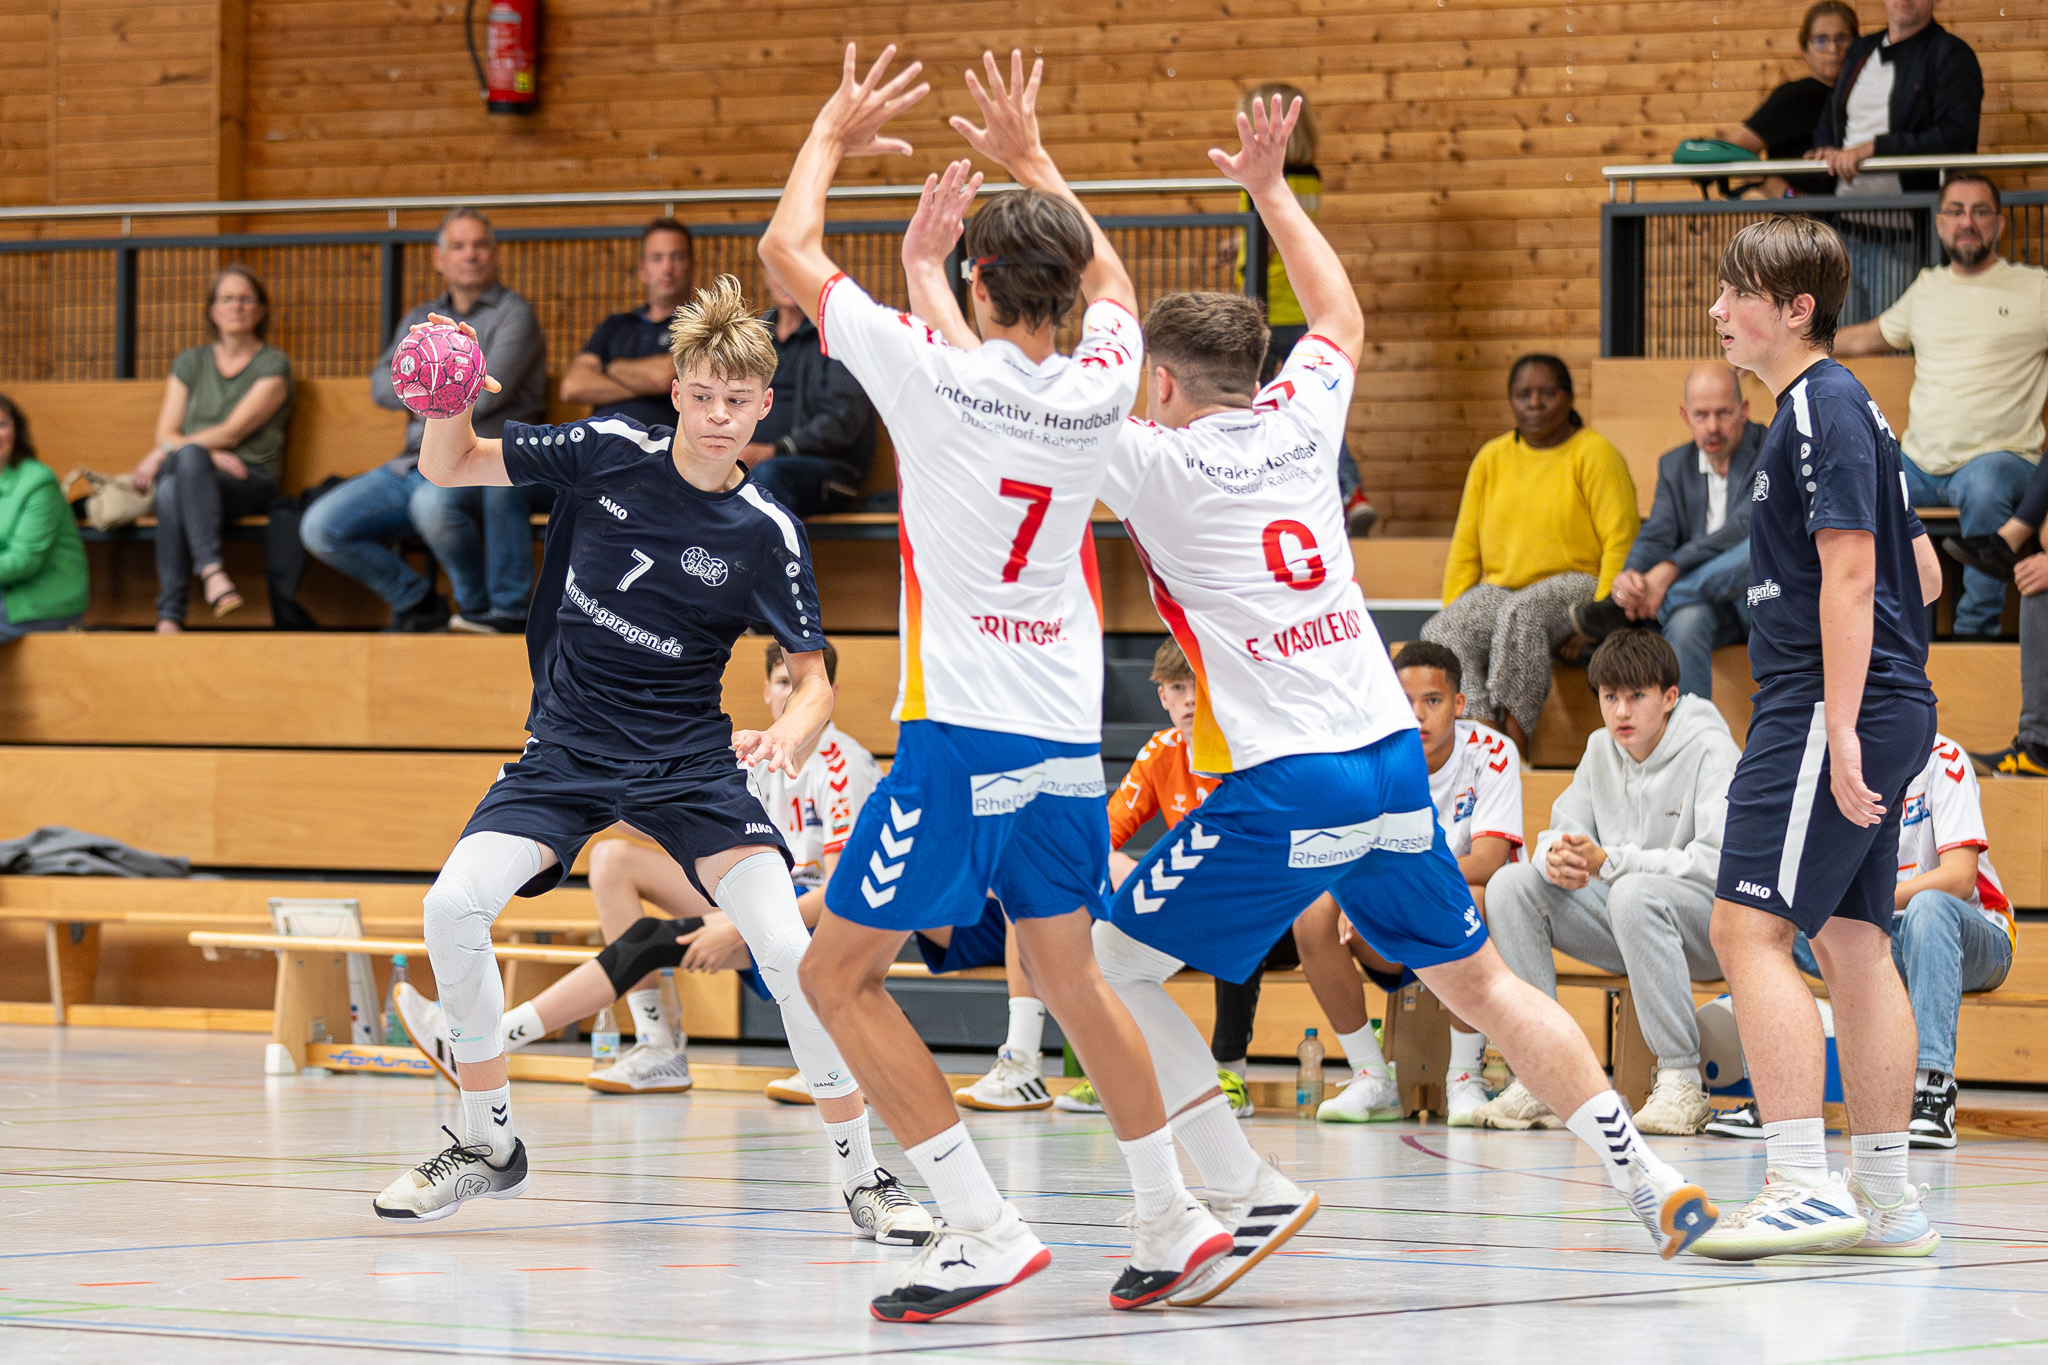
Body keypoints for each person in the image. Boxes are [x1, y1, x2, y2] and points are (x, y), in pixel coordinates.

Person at [1091, 93, 1720, 1308]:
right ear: (1254, 372)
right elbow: (1336, 311)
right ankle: (1649, 1185)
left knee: (1104, 970)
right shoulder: (1298, 414)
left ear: (1161, 382)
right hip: (1387, 757)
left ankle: (1239, 1190)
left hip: (1284, 778)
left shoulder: (1150, 459)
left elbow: (1080, 377)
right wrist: (1273, 190)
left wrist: (1029, 192)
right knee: (1479, 983)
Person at [764, 47, 1234, 1321]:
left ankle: (977, 1223)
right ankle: (1172, 1214)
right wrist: (1032, 161)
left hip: (959, 740)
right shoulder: (1098, 386)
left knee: (833, 980)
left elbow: (784, 250)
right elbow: (1116, 278)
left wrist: (829, 127)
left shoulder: (931, 374)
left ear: (973, 281)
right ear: (1070, 304)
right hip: (1062, 741)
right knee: (1070, 974)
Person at [368, 274, 930, 1253]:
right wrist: (444, 400)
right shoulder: (604, 449)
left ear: (764, 406)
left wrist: (786, 739)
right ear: (676, 390)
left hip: (687, 766)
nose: (718, 417)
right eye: (702, 395)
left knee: (788, 947)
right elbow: (453, 466)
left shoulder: (767, 533)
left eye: (738, 401)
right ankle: (483, 1139)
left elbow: (815, 680)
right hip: (566, 753)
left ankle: (863, 1176)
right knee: (449, 906)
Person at [1691, 215, 1947, 1261]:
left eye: (1734, 292)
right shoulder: (1855, 413)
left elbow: (1853, 575)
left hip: (1818, 708)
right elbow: (1922, 574)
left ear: (1793, 311)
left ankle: (1797, 1181)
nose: (1715, 310)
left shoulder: (1814, 406)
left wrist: (1838, 724)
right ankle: (1885, 1201)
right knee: (1850, 939)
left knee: (1742, 931)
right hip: (1877, 700)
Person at [1476, 630, 1738, 1137]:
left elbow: (1715, 864)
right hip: (1628, 921)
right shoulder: (1600, 748)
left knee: (1632, 890)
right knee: (1511, 886)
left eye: (1636, 696)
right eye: (1609, 696)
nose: (1621, 711)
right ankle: (1543, 1075)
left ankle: (1682, 1081)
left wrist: (1610, 861)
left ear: (1668, 698)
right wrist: (1558, 857)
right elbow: (1561, 827)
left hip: (1707, 930)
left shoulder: (1710, 748)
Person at [1741, 733, 2010, 1152]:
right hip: (1887, 937)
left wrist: (1867, 905)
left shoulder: (1944, 757)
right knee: (1763, 923)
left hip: (1974, 936)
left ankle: (1932, 1091)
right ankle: (1777, 1097)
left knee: (1929, 909)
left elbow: (1959, 879)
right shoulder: (1838, 767)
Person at [1292, 640, 1522, 1126]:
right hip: (1387, 931)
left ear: (1459, 706)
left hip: (1457, 919)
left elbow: (1487, 860)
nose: (1417, 716)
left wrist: (1387, 888)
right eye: (1404, 703)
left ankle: (1466, 1078)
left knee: (1480, 896)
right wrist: (1360, 892)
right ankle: (1371, 1077)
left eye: (1432, 701)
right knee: (1313, 910)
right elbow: (1342, 852)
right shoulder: (1370, 757)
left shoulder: (1494, 752)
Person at [300, 208, 551, 634]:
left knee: (431, 504)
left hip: (480, 462)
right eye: (458, 246)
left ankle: (472, 610)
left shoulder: (515, 314)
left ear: (495, 254)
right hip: (414, 462)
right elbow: (380, 383)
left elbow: (491, 391)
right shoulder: (422, 317)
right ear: (439, 259)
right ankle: (420, 602)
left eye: (479, 245)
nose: (470, 255)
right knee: (320, 527)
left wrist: (421, 383)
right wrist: (434, 394)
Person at [1836, 173, 2047, 638]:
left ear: (2000, 223)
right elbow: (1869, 336)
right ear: (1938, 224)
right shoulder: (1926, 288)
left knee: (1985, 487)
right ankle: (1900, 631)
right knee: (1861, 485)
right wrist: (1796, 343)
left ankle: (1976, 632)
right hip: (1919, 464)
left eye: (1980, 211)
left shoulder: (2035, 288)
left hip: (2000, 460)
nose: (1966, 222)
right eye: (1955, 211)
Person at [1421, 355, 1639, 754]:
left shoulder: (1596, 454)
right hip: (1502, 590)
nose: (1534, 404)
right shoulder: (1491, 457)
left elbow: (1621, 540)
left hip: (1579, 587)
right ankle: (1484, 741)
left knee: (1521, 612)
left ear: (1569, 397)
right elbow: (1465, 546)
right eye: (1523, 395)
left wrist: (1598, 619)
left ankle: (1514, 744)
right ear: (1511, 401)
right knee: (1441, 630)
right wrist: (1459, 612)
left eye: (1547, 393)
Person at [1100, 639, 1266, 1119]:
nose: (1190, 700)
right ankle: (1120, 1070)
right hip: (1189, 907)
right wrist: (1120, 868)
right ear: (1162, 698)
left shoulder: (1248, 751)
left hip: (1262, 909)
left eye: (1198, 687)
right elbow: (1101, 837)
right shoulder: (1161, 750)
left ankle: (1229, 1073)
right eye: (1177, 688)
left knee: (1235, 919)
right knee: (1103, 932)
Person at [1231, 82, 1372, 538]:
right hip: (1301, 306)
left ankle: (1320, 493)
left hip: (1270, 307)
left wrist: (1249, 259)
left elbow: (1268, 237)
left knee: (1265, 405)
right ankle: (1349, 493)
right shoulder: (1309, 178)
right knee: (1307, 404)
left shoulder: (1267, 179)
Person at [1573, 364, 1766, 697]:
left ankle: (1641, 611)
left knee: (1758, 545)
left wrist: (1668, 573)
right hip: (1707, 603)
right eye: (1701, 415)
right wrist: (1632, 579)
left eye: (1723, 414)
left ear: (1744, 410)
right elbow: (1656, 536)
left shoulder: (1770, 449)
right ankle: (1689, 741)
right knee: (1686, 622)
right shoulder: (1674, 465)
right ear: (1684, 415)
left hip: (1759, 599)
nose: (1713, 427)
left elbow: (1745, 525)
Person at [125, 266, 291, 631]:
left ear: (261, 310)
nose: (237, 307)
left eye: (247, 299)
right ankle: (210, 575)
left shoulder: (273, 364)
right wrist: (200, 454)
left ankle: (171, 612)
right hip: (196, 474)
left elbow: (232, 433)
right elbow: (165, 429)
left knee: (175, 478)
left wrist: (165, 453)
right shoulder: (190, 362)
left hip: (249, 479)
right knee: (176, 480)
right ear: (212, 309)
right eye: (227, 299)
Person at [1809, 0, 1983, 321]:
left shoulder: (1950, 55)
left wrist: (1874, 148)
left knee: (1893, 353)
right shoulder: (1861, 50)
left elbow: (1956, 138)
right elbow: (1831, 115)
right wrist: (1824, 149)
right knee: (1836, 347)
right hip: (1841, 231)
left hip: (1903, 237)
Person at [741, 268, 879, 518]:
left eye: (793, 270)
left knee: (768, 476)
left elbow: (843, 418)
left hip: (829, 472)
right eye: (777, 270)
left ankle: (776, 558)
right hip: (750, 460)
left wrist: (776, 449)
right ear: (766, 277)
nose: (786, 280)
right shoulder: (753, 338)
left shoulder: (836, 335)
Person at [560, 218, 695, 429]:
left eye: (677, 257)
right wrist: (647, 384)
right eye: (657, 258)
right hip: (596, 442)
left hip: (658, 448)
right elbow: (572, 386)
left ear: (691, 265)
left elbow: (664, 377)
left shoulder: (701, 323)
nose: (667, 268)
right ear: (642, 269)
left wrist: (608, 367)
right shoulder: (616, 325)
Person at [1716, 1, 1858, 198]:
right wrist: (1787, 195)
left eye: (1842, 38)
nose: (1833, 49)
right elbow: (1734, 149)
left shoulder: (1863, 93)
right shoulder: (1795, 95)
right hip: (1806, 220)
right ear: (1805, 50)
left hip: (1857, 212)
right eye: (1821, 40)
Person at [0, 394, 88, 641]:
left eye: (2, 424)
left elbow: (24, 560)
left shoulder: (37, 482)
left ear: (16, 431)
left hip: (41, 599)